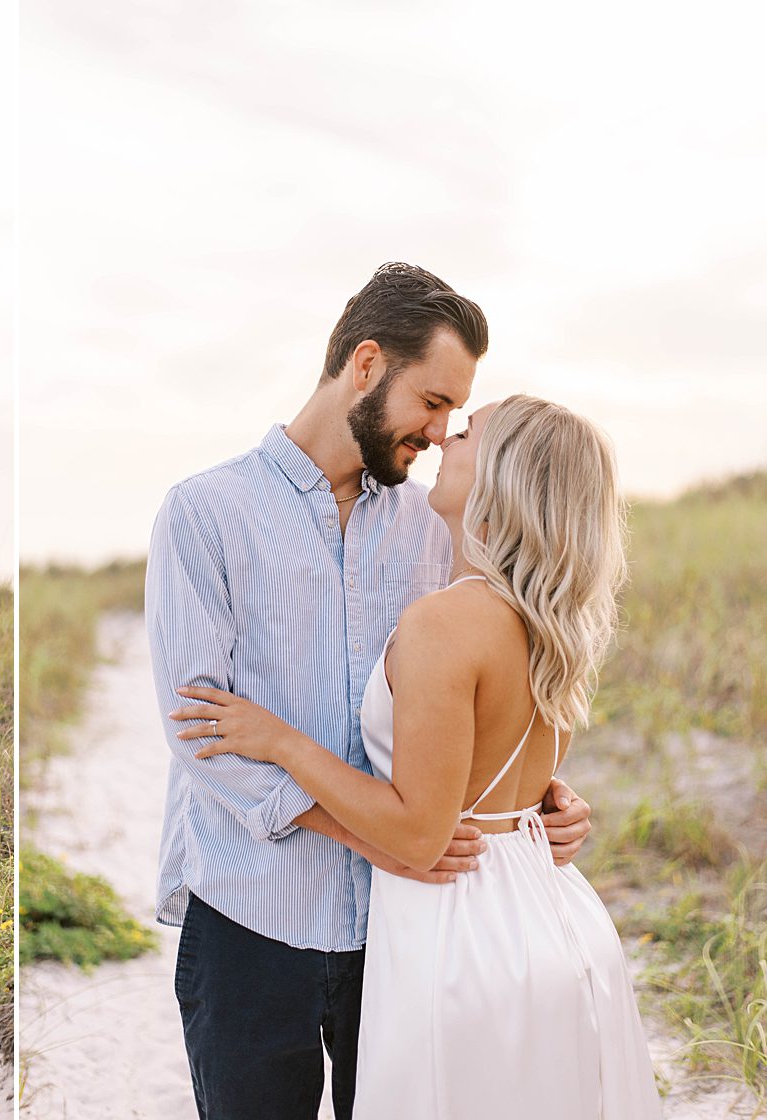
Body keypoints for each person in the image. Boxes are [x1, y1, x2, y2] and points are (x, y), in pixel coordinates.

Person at [144, 263, 594, 1120]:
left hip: (401, 931)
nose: (439, 430)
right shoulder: (206, 512)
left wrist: (539, 799)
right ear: (365, 363)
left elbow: (487, 688)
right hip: (251, 916)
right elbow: (198, 728)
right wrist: (375, 839)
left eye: (455, 415)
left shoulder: (437, 528)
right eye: (431, 401)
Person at [176, 395, 661, 1116]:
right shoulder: (549, 622)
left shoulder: (444, 621)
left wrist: (280, 741)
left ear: (505, 476)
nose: (443, 441)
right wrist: (546, 804)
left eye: (466, 432)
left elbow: (418, 835)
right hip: (555, 919)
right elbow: (497, 769)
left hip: (463, 931)